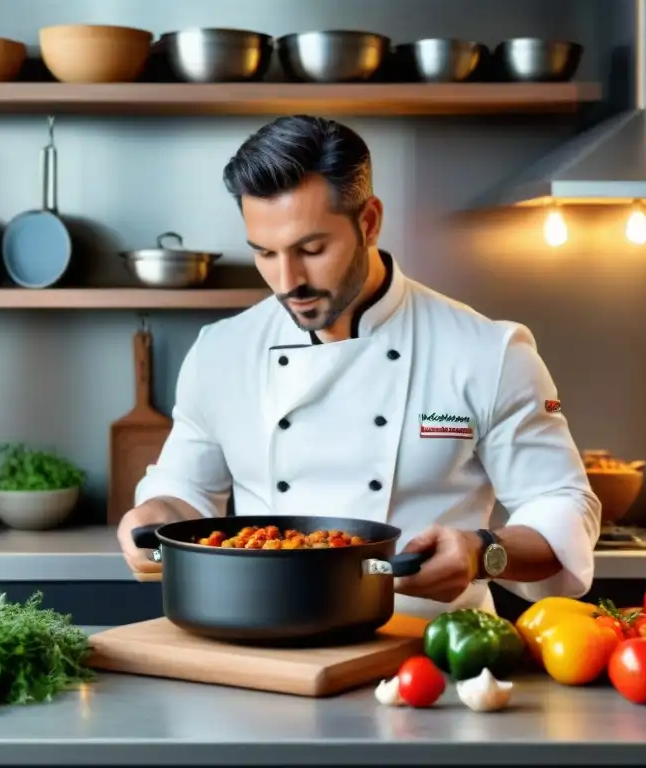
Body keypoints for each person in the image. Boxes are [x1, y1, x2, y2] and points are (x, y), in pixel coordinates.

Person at [117, 115, 601, 618]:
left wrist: (483, 553)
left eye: (311, 249)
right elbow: (184, 494)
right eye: (265, 252)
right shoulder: (221, 352)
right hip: (268, 645)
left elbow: (563, 506)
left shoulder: (487, 351)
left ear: (368, 222)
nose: (287, 281)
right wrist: (152, 518)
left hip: (433, 654)